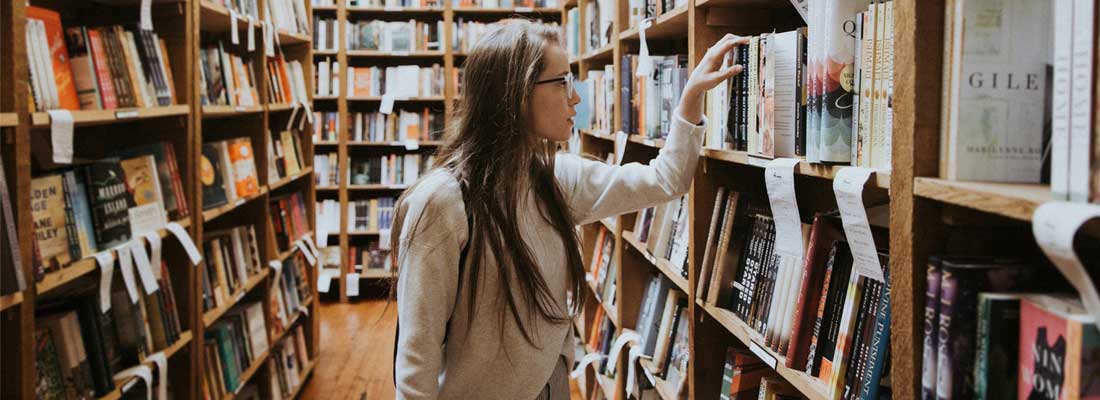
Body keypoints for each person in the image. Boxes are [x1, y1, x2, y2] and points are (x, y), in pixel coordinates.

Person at [390, 19, 747, 399]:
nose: (576, 98)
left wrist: (690, 100)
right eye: (562, 82)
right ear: (516, 93)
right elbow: (418, 353)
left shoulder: (556, 178)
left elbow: (665, 181)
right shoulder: (442, 201)